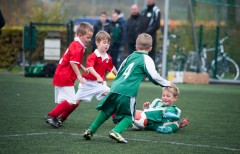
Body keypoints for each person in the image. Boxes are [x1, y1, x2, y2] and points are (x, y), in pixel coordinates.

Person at [83, 33, 171, 143]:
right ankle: (116, 131)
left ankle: (91, 130)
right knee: (130, 117)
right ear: (150, 49)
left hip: (115, 87)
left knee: (107, 111)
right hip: (127, 92)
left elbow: (119, 72)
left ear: (136, 46)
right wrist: (167, 83)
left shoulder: (130, 56)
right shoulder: (146, 59)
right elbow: (154, 76)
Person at [57, 30, 118, 125]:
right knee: (75, 103)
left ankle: (116, 118)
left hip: (100, 85)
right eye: (104, 42)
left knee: (112, 96)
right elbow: (90, 67)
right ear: (97, 43)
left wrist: (118, 75)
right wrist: (97, 76)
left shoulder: (108, 57)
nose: (107, 45)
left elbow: (111, 67)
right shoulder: (92, 56)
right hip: (87, 83)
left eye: (108, 43)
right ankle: (61, 117)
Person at [45, 22, 93, 128]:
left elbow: (73, 60)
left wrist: (82, 67)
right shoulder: (78, 47)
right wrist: (79, 76)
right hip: (65, 77)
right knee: (71, 101)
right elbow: (72, 62)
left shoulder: (75, 44)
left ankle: (55, 117)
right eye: (88, 37)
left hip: (60, 75)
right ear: (80, 35)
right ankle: (51, 116)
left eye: (90, 38)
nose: (89, 40)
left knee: (63, 101)